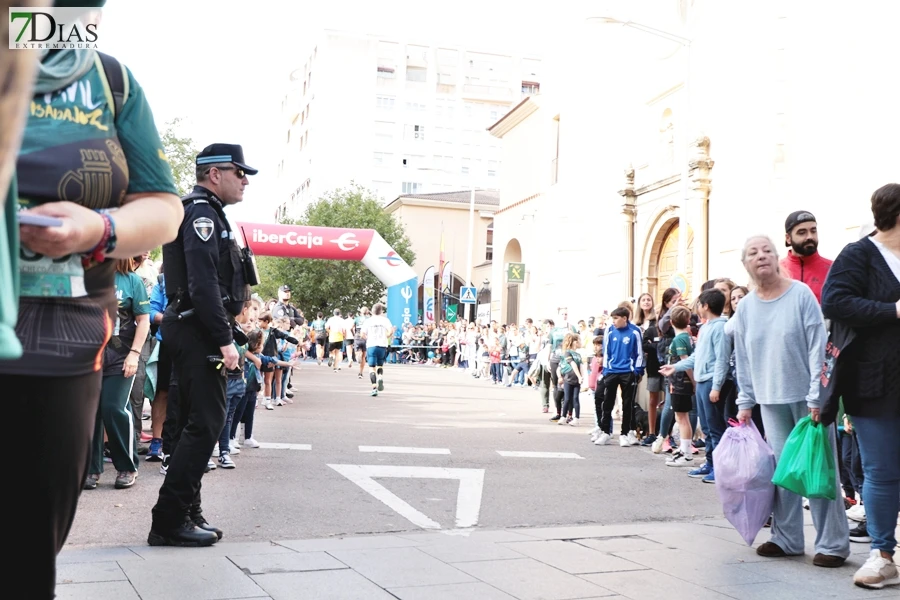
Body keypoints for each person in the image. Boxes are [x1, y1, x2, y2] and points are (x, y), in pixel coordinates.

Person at [1, 5, 183, 592]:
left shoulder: (109, 80)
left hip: (61, 341)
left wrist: (97, 229)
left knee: (27, 550)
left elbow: (164, 210)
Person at [149, 143, 257, 547]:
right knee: (207, 424)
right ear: (214, 174)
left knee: (198, 423)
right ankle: (169, 519)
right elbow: (203, 284)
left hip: (193, 329)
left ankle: (186, 512)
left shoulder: (206, 212)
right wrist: (225, 339)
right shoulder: (201, 213)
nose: (245, 180)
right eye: (238, 172)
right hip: (198, 330)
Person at [733, 234, 849, 568]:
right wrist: (745, 401)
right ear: (746, 264)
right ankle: (786, 539)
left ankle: (833, 544)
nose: (761, 256)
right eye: (753, 252)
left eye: (767, 250)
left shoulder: (799, 295)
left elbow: (818, 344)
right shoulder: (746, 308)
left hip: (807, 399)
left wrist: (817, 395)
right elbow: (744, 357)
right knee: (784, 472)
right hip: (770, 400)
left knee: (818, 469)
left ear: (777, 257)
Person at [821, 183, 900, 590]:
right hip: (874, 382)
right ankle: (883, 554)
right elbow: (834, 302)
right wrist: (893, 309)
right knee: (882, 469)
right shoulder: (859, 255)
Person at [780, 210, 833, 303]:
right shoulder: (777, 271)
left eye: (813, 231)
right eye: (802, 232)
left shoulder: (833, 269)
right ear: (788, 238)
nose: (810, 237)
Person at [359, 303, 394, 396]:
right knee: (380, 365)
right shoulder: (385, 320)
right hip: (382, 345)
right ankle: (380, 377)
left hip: (371, 345)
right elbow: (391, 331)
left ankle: (374, 388)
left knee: (371, 368)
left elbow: (362, 334)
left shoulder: (368, 321)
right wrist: (386, 336)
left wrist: (368, 338)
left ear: (371, 311)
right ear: (381, 311)